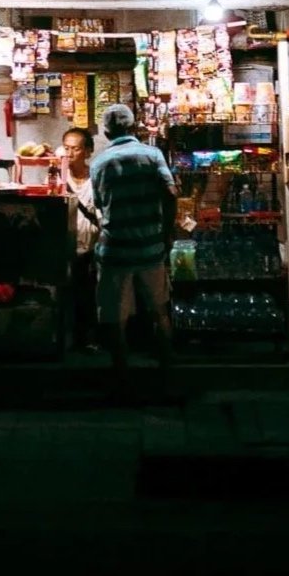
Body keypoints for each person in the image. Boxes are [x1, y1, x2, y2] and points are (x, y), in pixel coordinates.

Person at [89, 103, 179, 401]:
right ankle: (167, 378)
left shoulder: (99, 163)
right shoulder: (152, 155)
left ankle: (122, 383)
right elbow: (170, 193)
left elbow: (101, 205)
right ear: (133, 128)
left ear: (106, 131)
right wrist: (166, 233)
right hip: (151, 248)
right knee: (159, 312)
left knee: (116, 318)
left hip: (115, 250)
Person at [61, 126, 101, 351]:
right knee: (69, 294)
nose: (70, 153)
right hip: (66, 246)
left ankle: (89, 339)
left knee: (90, 295)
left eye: (75, 149)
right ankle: (69, 339)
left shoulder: (96, 178)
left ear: (87, 151)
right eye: (66, 148)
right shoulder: (57, 176)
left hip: (93, 247)